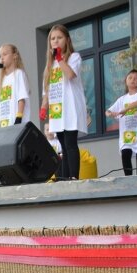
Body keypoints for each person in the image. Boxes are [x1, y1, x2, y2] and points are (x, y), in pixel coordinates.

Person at [40, 24, 88, 180]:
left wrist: (60, 58)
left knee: (70, 144)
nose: (55, 41)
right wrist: (44, 106)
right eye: (52, 39)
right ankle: (65, 178)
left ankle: (74, 177)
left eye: (59, 38)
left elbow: (70, 75)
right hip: (57, 110)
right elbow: (47, 89)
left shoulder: (74, 57)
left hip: (70, 108)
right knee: (63, 147)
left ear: (67, 40)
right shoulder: (49, 65)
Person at [105, 69, 137, 176]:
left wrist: (126, 109)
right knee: (125, 154)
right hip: (127, 133)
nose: (133, 80)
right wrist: (110, 113)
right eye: (130, 77)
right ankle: (128, 180)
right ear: (126, 80)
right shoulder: (121, 99)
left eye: (136, 78)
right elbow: (108, 111)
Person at [0, 44, 31, 128]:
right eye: (0, 56)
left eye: (5, 54)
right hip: (4, 124)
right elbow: (1, 106)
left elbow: (21, 98)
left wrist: (18, 118)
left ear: (14, 56)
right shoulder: (1, 79)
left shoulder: (19, 74)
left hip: (17, 123)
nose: (2, 58)